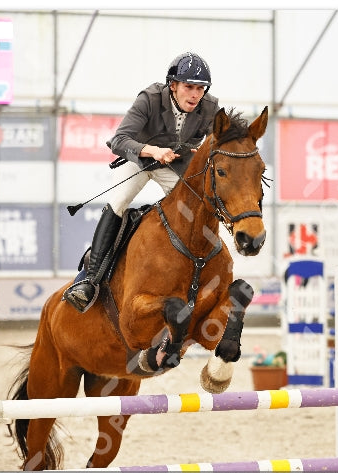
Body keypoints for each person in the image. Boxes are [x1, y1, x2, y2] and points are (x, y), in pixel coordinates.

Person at [63, 51, 220, 313]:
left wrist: (203, 152)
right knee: (120, 200)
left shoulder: (210, 107)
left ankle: (193, 275)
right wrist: (152, 150)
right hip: (138, 161)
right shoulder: (150, 98)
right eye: (189, 87)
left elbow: (218, 143)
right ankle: (88, 280)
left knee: (194, 208)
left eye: (200, 88)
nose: (195, 94)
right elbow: (119, 140)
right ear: (173, 86)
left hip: (173, 164)